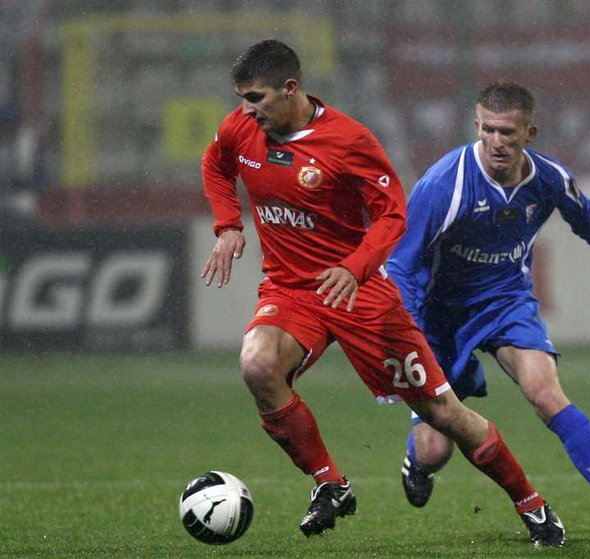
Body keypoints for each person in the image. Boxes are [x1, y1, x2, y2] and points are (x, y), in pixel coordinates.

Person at [200, 41, 565, 547]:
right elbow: (216, 163)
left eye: (256, 97)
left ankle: (533, 504)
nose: (246, 109)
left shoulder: (348, 140)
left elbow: (393, 213)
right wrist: (226, 224)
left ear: (290, 89)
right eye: (241, 98)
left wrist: (354, 266)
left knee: (443, 415)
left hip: (361, 293)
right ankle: (331, 485)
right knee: (258, 365)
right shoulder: (240, 128)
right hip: (291, 288)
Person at [387, 80, 590, 541]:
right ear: (476, 126)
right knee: (435, 450)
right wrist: (406, 333)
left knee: (546, 394)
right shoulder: (445, 184)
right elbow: (401, 265)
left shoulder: (548, 179)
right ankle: (416, 459)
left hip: (507, 302)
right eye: (488, 131)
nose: (497, 142)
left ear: (530, 133)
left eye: (508, 132)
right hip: (437, 314)